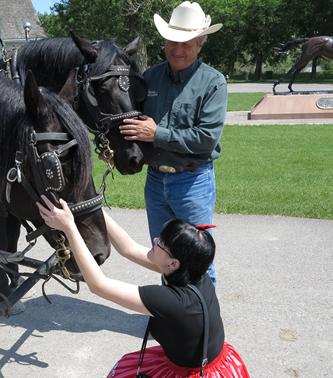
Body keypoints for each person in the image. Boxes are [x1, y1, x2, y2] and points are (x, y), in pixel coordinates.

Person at [37, 195, 249, 378]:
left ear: (173, 263)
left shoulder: (172, 301)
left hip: (190, 372)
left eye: (160, 244)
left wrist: (69, 227)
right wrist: (90, 204)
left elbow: (98, 285)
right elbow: (128, 248)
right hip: (212, 362)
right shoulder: (192, 271)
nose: (154, 240)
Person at [119, 1, 226, 286]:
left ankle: (203, 326)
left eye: (186, 44)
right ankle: (173, 318)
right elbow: (133, 121)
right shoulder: (150, 76)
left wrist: (157, 134)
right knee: (163, 258)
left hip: (192, 182)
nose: (177, 49)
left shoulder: (213, 82)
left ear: (200, 45)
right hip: (155, 182)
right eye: (172, 41)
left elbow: (205, 140)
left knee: (198, 260)